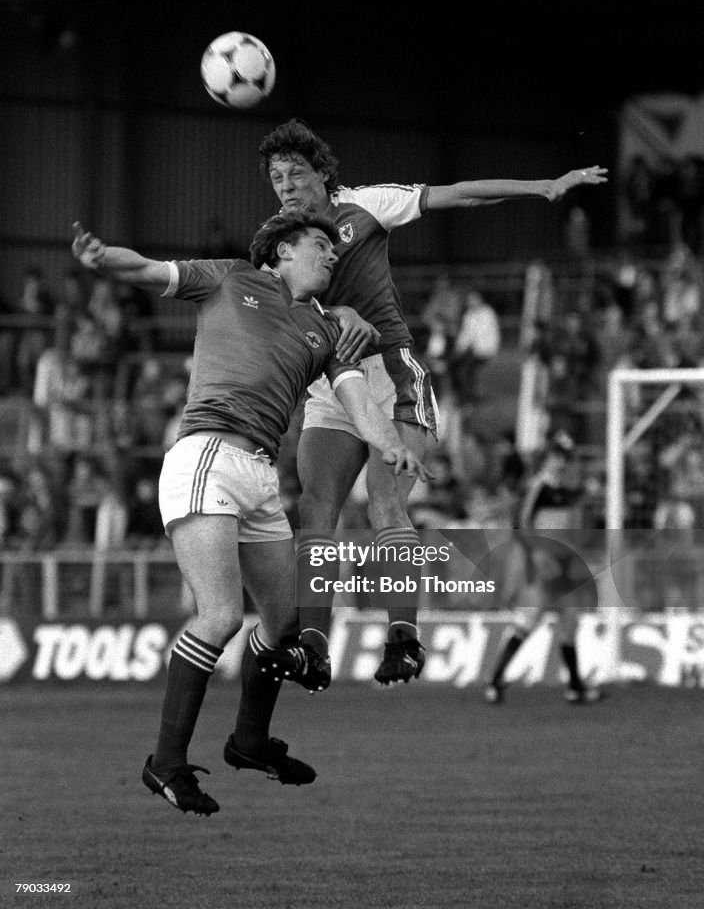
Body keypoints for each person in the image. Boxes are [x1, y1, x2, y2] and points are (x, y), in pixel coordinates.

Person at [71, 211, 427, 817]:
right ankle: (166, 762)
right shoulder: (230, 278)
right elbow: (149, 269)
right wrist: (104, 259)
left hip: (259, 476)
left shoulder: (323, 329)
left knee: (286, 620)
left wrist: (388, 442)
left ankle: (250, 742)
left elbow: (357, 398)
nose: (332, 256)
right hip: (209, 453)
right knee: (220, 616)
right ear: (283, 251)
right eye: (320, 246)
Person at [255, 117, 608, 688]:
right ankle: (314, 645)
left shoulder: (366, 205)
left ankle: (404, 639)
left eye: (296, 172)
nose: (287, 185)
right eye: (276, 177)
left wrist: (543, 186)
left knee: (384, 505)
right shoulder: (278, 240)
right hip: (328, 386)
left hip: (390, 375)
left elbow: (460, 195)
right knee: (315, 509)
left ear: (323, 173)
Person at [483, 430, 602, 705]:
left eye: (565, 457)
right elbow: (520, 524)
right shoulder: (539, 486)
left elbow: (570, 518)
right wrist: (535, 554)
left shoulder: (561, 490)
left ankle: (574, 686)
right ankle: (495, 679)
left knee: (568, 622)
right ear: (546, 458)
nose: (561, 462)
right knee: (531, 620)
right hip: (544, 564)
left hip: (563, 565)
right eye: (557, 456)